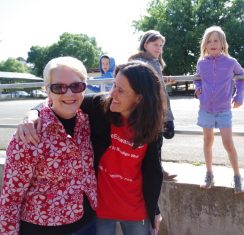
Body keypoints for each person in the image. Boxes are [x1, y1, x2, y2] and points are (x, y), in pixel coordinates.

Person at [15, 61, 165, 235]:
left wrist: (154, 209)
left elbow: (152, 171)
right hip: (101, 209)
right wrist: (32, 113)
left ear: (139, 98)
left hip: (136, 209)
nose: (112, 93)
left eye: (121, 90)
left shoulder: (152, 128)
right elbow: (56, 99)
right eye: (114, 85)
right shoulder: (100, 107)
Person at [0, 56, 97, 235]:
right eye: (58, 87)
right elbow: (11, 197)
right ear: (47, 90)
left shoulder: (88, 120)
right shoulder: (30, 133)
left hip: (89, 223)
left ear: (85, 87)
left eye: (76, 86)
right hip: (43, 229)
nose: (68, 93)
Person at [194, 26, 244, 193]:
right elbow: (197, 80)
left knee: (227, 143)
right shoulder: (201, 63)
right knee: (207, 141)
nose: (212, 43)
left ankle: (237, 176)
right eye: (209, 41)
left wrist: (239, 96)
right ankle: (209, 174)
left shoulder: (231, 62)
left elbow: (242, 78)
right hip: (206, 109)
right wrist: (198, 90)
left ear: (222, 43)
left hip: (224, 109)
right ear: (205, 45)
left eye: (216, 40)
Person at [128, 29, 177, 181]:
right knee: (153, 144)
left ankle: (155, 170)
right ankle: (158, 171)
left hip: (160, 109)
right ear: (145, 44)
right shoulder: (140, 63)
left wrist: (163, 80)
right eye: (155, 44)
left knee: (159, 141)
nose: (159, 48)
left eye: (161, 45)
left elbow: (156, 83)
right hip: (149, 110)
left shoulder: (155, 64)